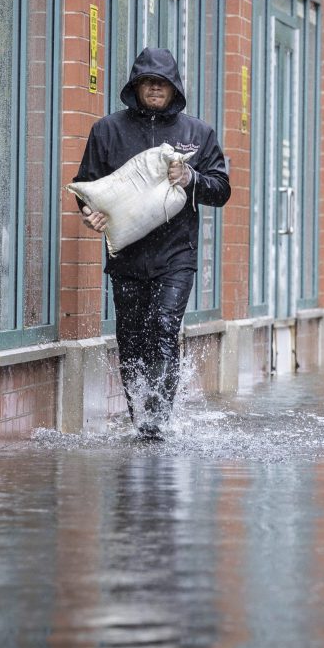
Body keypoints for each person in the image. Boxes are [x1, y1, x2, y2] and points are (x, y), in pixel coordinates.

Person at [73, 47, 231, 440]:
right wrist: (89, 213)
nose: (155, 90)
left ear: (174, 87)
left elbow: (222, 190)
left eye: (161, 83)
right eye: (147, 83)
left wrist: (190, 177)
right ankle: (138, 415)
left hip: (176, 255)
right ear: (135, 86)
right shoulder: (108, 130)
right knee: (131, 337)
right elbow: (88, 187)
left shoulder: (197, 134)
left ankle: (158, 420)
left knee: (162, 328)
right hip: (126, 256)